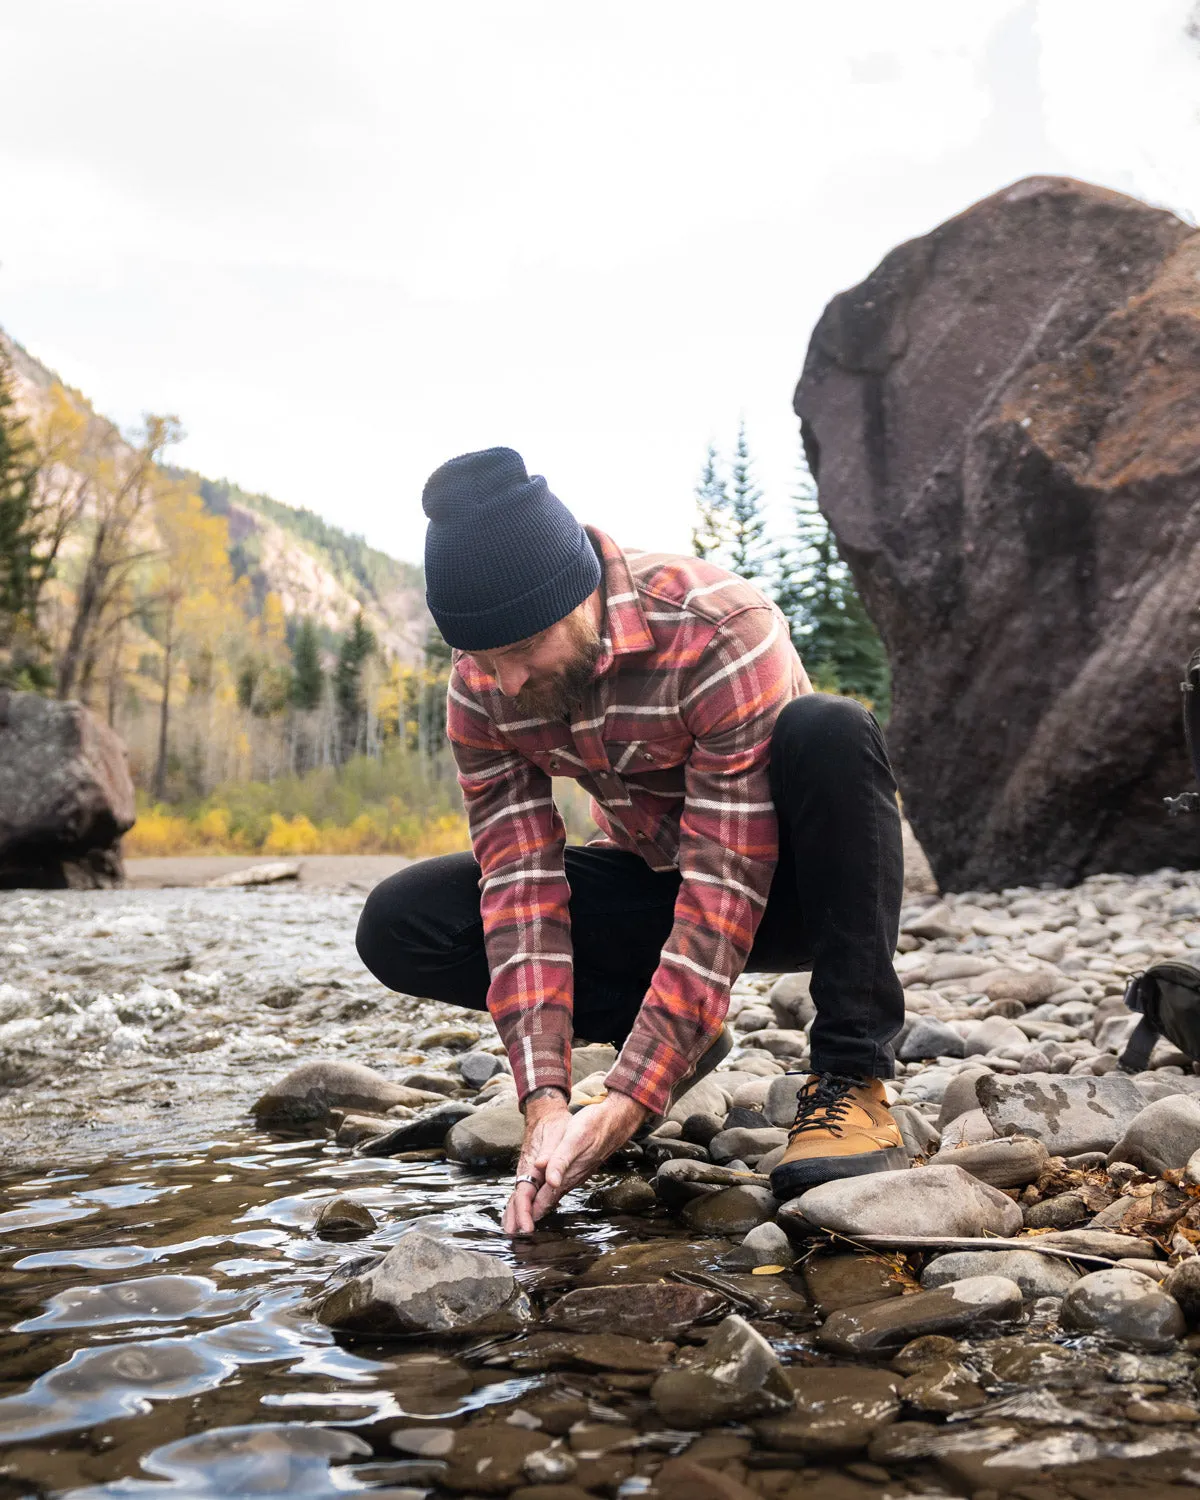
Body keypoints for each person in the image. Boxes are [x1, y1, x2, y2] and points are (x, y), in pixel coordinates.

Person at [356, 447, 907, 1235]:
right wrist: (544, 1098)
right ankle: (681, 1038)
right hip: (658, 879)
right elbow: (520, 892)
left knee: (832, 731)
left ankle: (852, 1078)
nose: (504, 681)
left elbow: (726, 881)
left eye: (521, 651)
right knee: (403, 919)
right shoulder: (483, 686)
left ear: (577, 595)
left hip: (792, 889)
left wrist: (633, 1096)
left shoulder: (719, 628)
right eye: (482, 657)